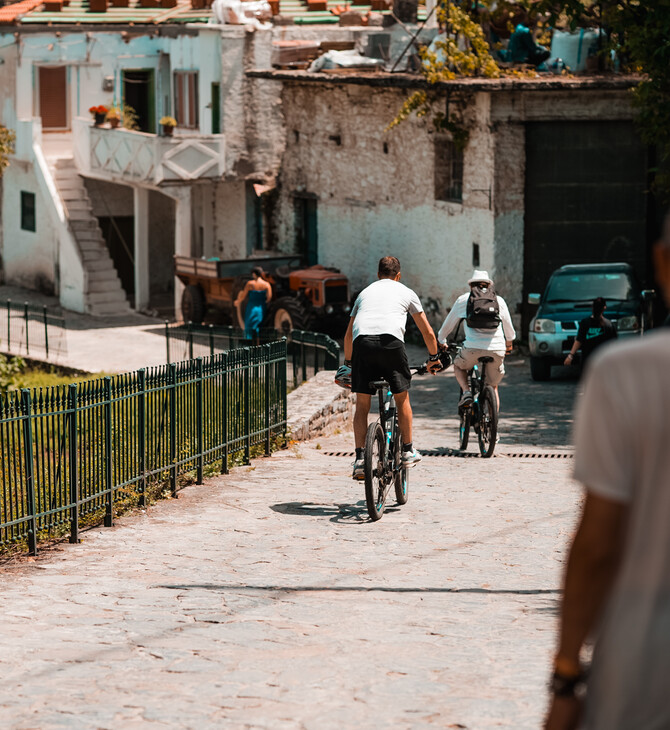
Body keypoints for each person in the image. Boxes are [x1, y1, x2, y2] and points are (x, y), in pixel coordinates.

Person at [544, 215, 670, 730]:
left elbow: (597, 544)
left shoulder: (631, 372)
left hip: (647, 667)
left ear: (662, 262)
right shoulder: (614, 332)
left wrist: (566, 675)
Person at [338, 256, 441, 480]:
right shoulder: (406, 291)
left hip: (362, 343)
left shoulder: (364, 293)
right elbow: (427, 332)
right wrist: (434, 357)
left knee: (362, 404)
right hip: (391, 343)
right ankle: (406, 451)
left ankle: (359, 459)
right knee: (402, 397)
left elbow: (348, 335)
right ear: (398, 275)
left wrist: (348, 364)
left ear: (378, 274)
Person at [436, 270, 515, 411]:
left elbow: (447, 326)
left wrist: (442, 341)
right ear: (489, 285)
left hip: (472, 348)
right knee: (493, 386)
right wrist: (509, 345)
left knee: (459, 366)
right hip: (497, 348)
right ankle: (494, 430)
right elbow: (509, 329)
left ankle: (466, 392)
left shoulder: (464, 300)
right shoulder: (499, 300)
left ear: (471, 286)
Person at [563, 297, 617, 368]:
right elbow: (613, 344)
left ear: (592, 307)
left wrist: (570, 356)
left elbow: (579, 340)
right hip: (604, 361)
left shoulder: (585, 323)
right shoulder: (609, 325)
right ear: (604, 308)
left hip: (587, 361)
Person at [234, 266, 272, 342]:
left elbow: (243, 296)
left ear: (254, 274)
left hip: (251, 307)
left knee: (249, 325)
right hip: (261, 307)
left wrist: (237, 301)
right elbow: (269, 298)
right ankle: (258, 344)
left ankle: (250, 343)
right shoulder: (267, 284)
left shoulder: (250, 284)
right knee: (259, 325)